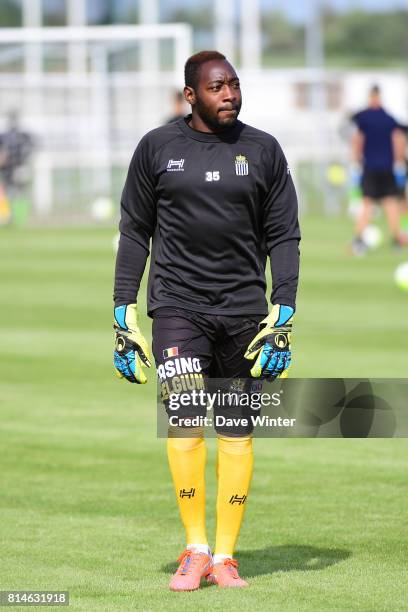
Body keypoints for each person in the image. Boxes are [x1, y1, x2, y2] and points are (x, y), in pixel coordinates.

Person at [113, 50, 300, 591]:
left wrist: (283, 309)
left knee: (237, 432)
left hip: (245, 313)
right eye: (218, 88)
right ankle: (195, 548)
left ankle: (225, 557)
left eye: (235, 86)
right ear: (191, 95)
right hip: (177, 307)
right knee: (186, 420)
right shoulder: (157, 147)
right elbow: (134, 231)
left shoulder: (263, 149)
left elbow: (284, 234)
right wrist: (124, 309)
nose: (231, 96)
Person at [350, 85, 407, 254]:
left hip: (372, 167)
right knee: (388, 202)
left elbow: (358, 139)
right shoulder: (388, 118)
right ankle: (395, 240)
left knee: (370, 202)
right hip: (386, 167)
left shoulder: (364, 117)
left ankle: (360, 240)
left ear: (371, 96)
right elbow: (398, 138)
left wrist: (356, 158)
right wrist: (399, 160)